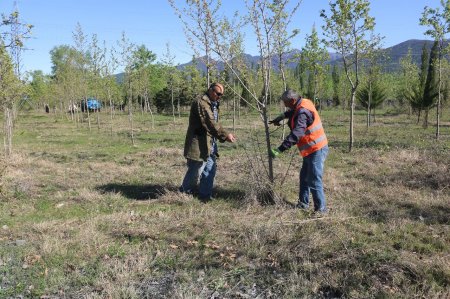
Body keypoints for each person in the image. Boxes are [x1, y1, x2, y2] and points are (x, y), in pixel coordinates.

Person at [269, 89, 329, 214]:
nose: (284, 105)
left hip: (316, 148)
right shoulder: (303, 102)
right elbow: (293, 111)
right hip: (310, 149)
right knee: (304, 178)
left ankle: (321, 210)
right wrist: (282, 116)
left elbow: (297, 133)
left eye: (286, 102)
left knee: (314, 179)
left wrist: (280, 149)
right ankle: (303, 204)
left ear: (293, 100)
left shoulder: (302, 111)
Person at [180, 82, 237, 201]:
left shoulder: (214, 103)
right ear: (211, 90)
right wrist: (226, 135)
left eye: (222, 95)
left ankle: (204, 196)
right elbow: (210, 123)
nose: (220, 96)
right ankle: (185, 195)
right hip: (199, 143)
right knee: (195, 170)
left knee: (210, 170)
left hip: (210, 143)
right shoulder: (201, 102)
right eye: (218, 93)